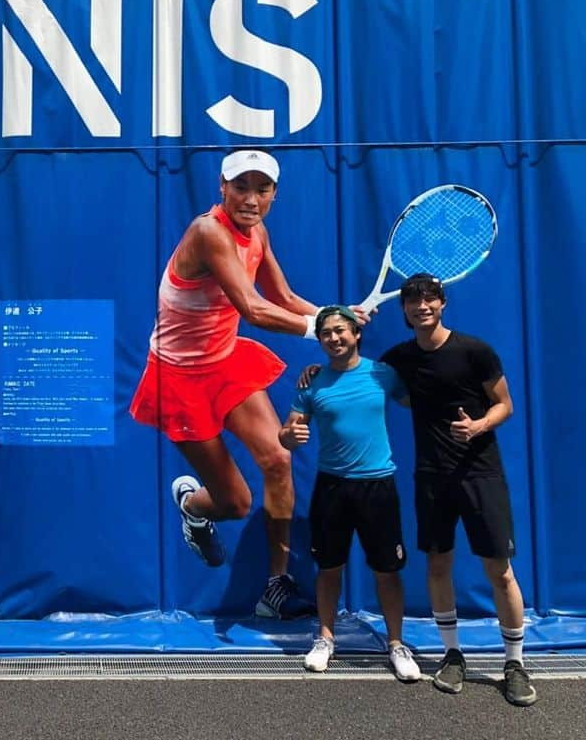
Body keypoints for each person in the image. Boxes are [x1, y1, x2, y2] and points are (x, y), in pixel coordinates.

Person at [130, 149, 368, 618]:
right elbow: (254, 309)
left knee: (278, 460)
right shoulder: (208, 232)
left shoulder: (257, 231)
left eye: (262, 189)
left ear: (275, 195)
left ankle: (274, 588)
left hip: (224, 361)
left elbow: (281, 295)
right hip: (179, 377)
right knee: (235, 503)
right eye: (241, 187)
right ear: (222, 187)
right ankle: (194, 507)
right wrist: (320, 329)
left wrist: (332, 314)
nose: (251, 199)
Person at [380, 273, 537, 706]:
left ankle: (515, 663)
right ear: (405, 310)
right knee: (437, 565)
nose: (421, 306)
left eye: (430, 299)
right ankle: (453, 655)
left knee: (499, 570)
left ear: (443, 303)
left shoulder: (475, 351)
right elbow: (357, 370)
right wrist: (318, 368)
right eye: (413, 301)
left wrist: (480, 425)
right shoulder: (399, 358)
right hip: (432, 478)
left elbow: (504, 403)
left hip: (480, 474)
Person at [279, 306, 420, 681]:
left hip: (378, 486)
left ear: (356, 334)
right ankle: (325, 639)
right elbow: (287, 433)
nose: (334, 338)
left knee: (387, 571)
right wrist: (290, 437)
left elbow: (417, 400)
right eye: (326, 333)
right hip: (332, 487)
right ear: (320, 340)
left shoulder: (382, 373)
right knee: (329, 569)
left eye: (340, 331)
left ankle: (395, 644)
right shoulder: (311, 382)